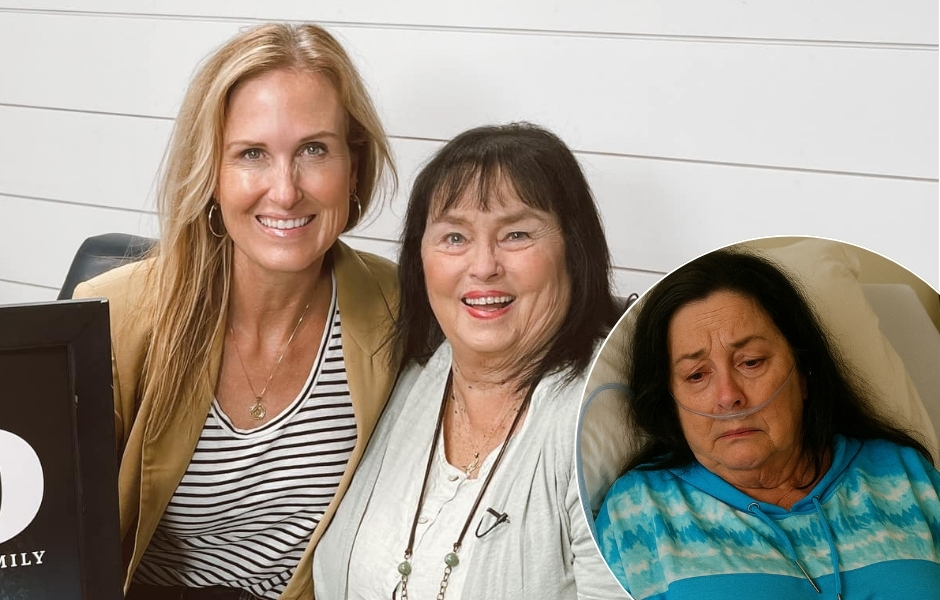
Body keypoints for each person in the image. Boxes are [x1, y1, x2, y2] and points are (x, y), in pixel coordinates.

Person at [72, 23, 399, 600]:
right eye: (252, 154)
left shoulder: (400, 307)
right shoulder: (115, 314)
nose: (285, 191)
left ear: (353, 168)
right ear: (211, 176)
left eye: (314, 150)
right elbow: (47, 534)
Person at [313, 123, 628, 599]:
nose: (483, 266)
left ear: (574, 250)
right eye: (455, 237)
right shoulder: (400, 374)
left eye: (516, 234)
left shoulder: (603, 421)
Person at [595, 248, 940, 599]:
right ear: (670, 403)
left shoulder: (907, 475)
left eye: (751, 362)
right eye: (697, 375)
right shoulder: (638, 511)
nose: (728, 396)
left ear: (804, 373)